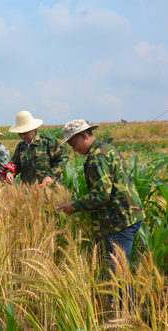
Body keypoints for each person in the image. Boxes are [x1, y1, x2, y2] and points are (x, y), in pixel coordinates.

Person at [56, 119, 144, 308]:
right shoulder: (106, 148)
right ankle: (119, 307)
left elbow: (102, 196)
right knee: (118, 268)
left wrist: (75, 206)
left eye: (73, 143)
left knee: (118, 270)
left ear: (84, 135)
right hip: (126, 215)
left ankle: (125, 315)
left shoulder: (96, 158)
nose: (73, 149)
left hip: (119, 220)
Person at [3, 110, 69, 186]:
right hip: (29, 191)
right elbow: (15, 164)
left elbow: (63, 157)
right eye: (20, 133)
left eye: (25, 133)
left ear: (33, 129)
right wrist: (9, 172)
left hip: (51, 189)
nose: (23, 136)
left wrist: (51, 176)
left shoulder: (48, 142)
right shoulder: (21, 147)